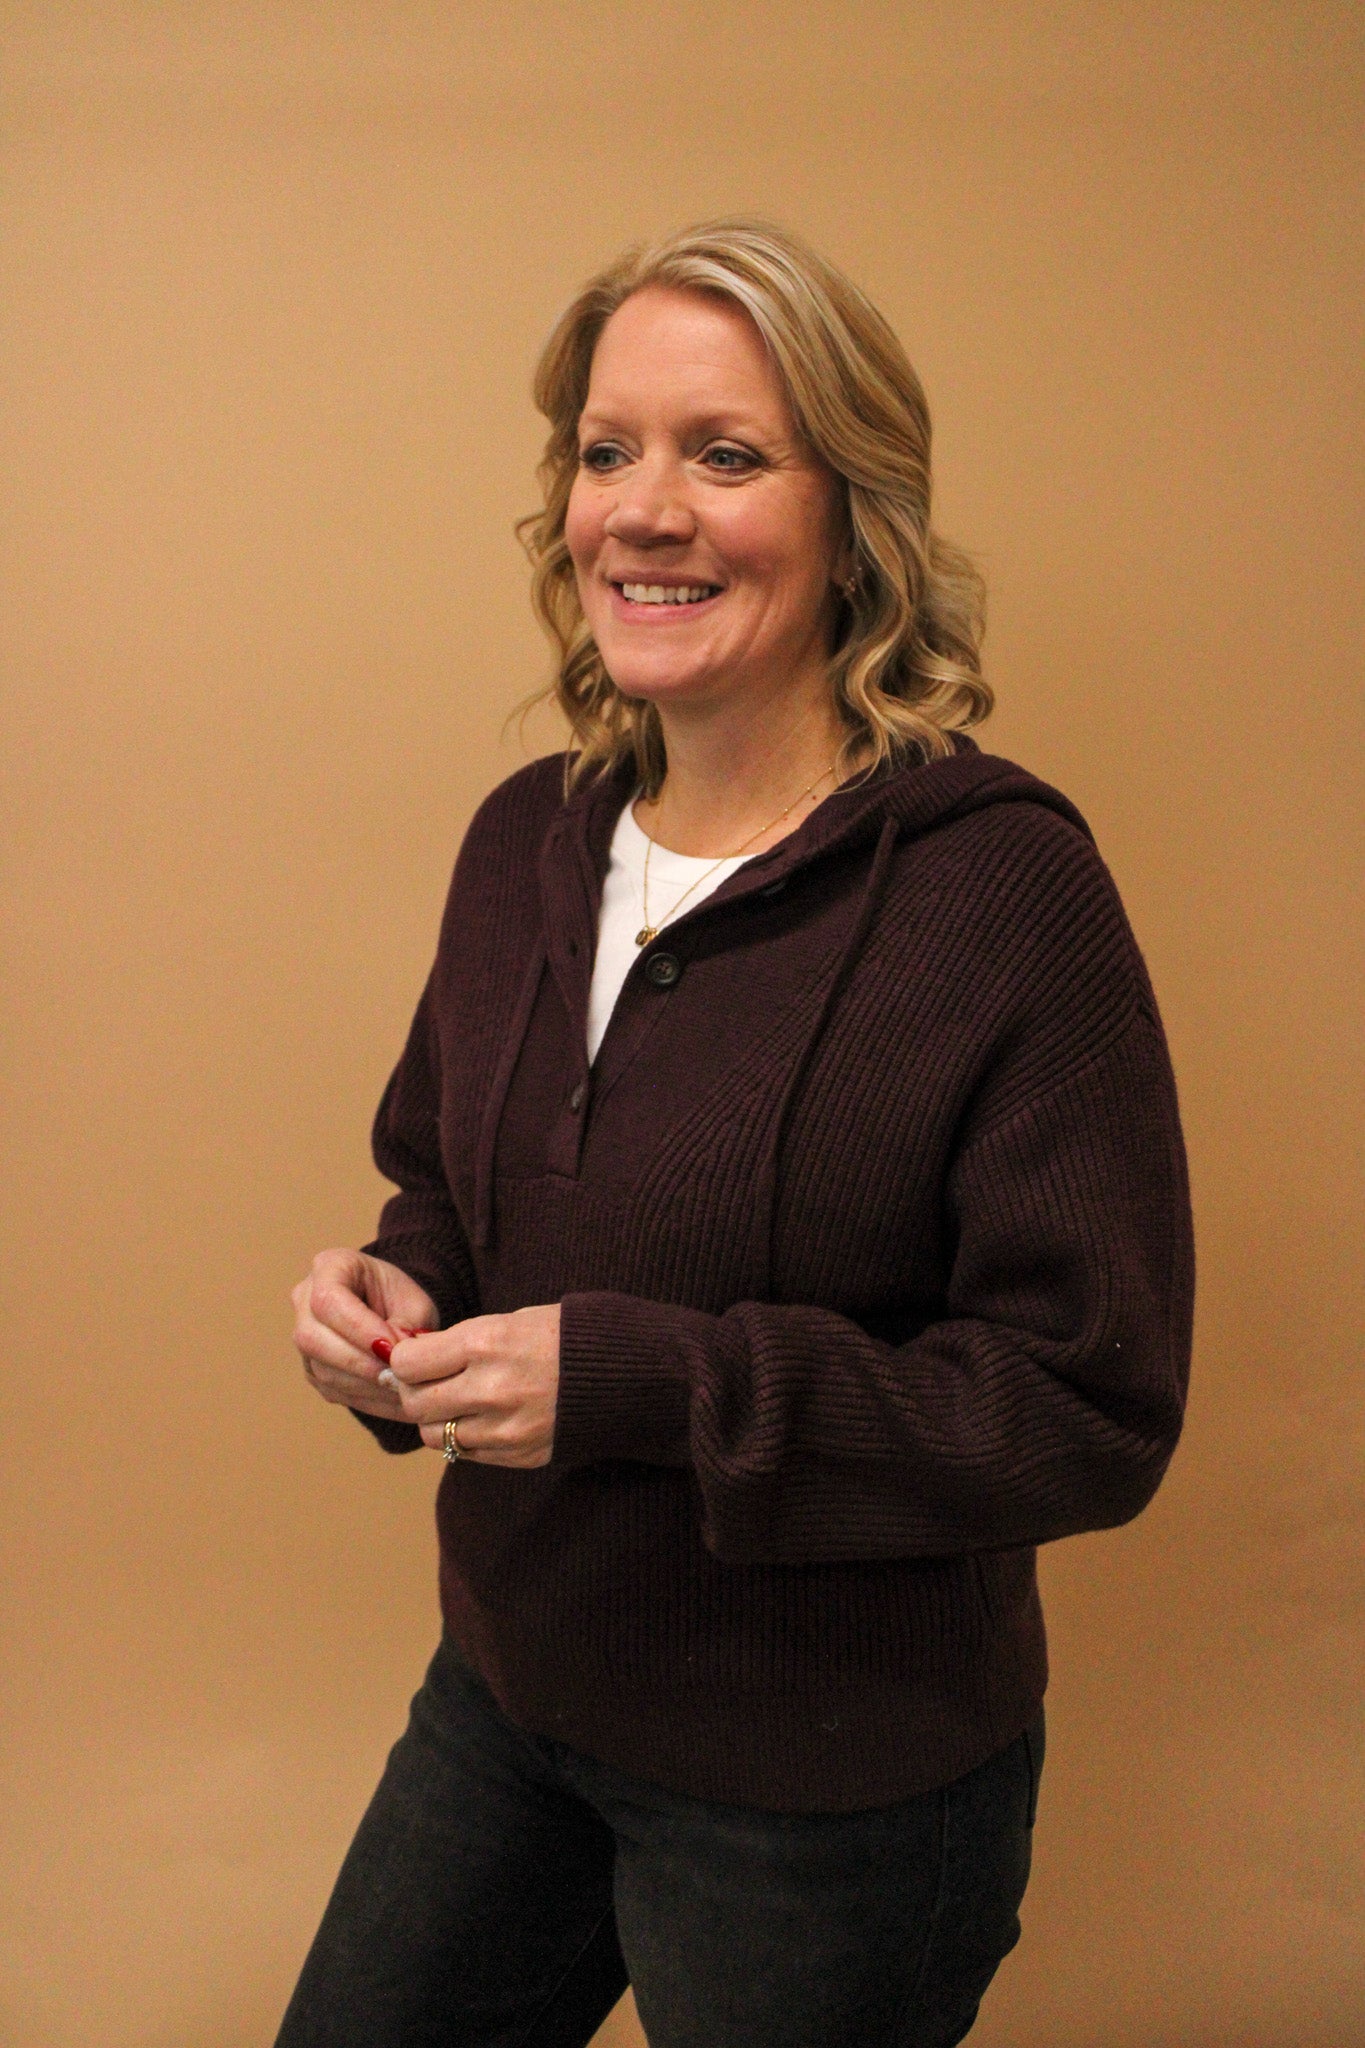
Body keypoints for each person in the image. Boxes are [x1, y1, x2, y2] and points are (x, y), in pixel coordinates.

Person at [279, 219, 1193, 2048]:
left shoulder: (998, 891)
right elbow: (449, 1187)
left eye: (725, 455)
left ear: (857, 518)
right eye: (606, 451)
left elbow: (1084, 1409)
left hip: (830, 1798)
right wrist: (398, 1294)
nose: (644, 510)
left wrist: (640, 1387)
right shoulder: (525, 839)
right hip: (512, 1696)